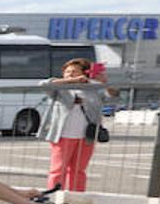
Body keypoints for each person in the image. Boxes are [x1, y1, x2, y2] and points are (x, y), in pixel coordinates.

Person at [39, 58, 115, 192]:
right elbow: (43, 84)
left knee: (79, 170)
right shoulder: (60, 88)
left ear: (84, 73)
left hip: (86, 136)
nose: (69, 74)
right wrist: (70, 81)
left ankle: (77, 196)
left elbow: (114, 97)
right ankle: (53, 196)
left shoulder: (93, 87)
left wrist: (105, 83)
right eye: (67, 72)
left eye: (74, 72)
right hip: (63, 135)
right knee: (58, 169)